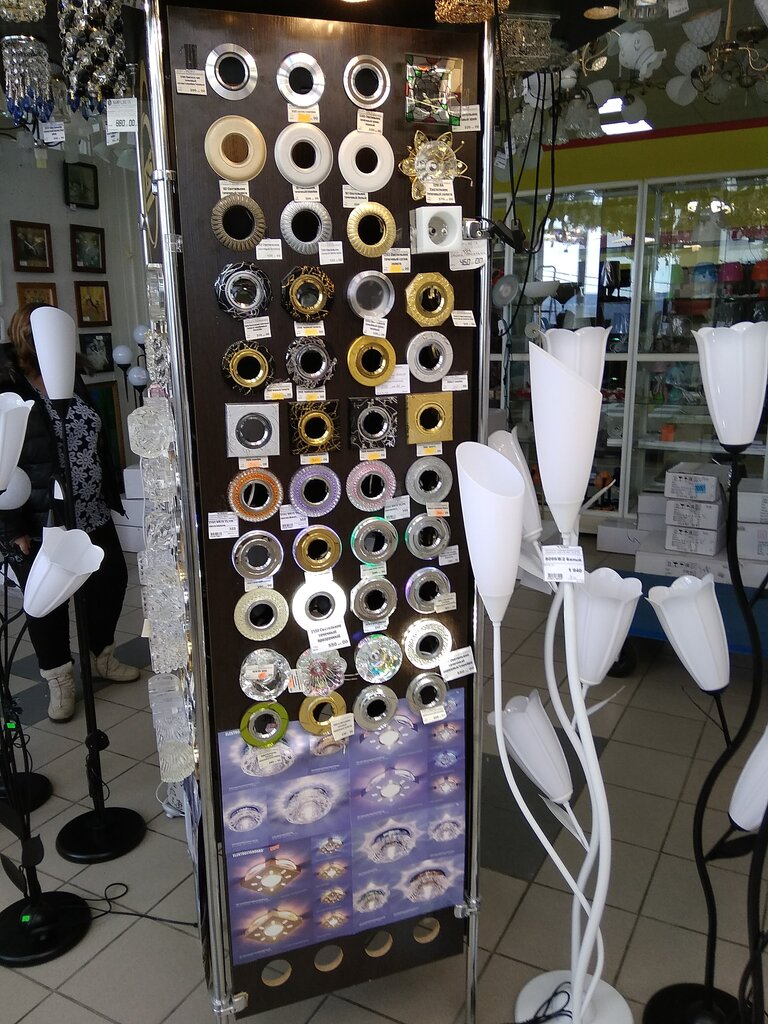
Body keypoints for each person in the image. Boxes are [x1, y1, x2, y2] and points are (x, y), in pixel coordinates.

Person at [0, 303, 139, 722]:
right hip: (40, 518)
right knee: (48, 602)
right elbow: (4, 463)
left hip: (91, 509)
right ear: (26, 338)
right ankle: (59, 679)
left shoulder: (67, 375)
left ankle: (101, 656)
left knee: (110, 580)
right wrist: (13, 527)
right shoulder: (9, 385)